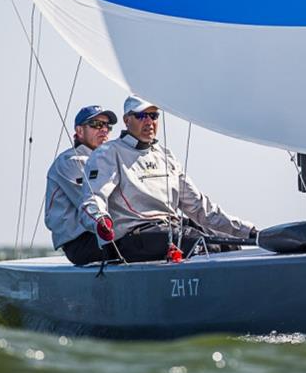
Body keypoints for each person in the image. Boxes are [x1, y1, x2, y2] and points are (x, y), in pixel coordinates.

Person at [79, 95, 256, 263]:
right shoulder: (108, 153)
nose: (149, 121)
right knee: (204, 245)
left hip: (168, 231)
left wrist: (248, 232)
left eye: (153, 115)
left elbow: (200, 208)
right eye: (141, 116)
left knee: (229, 244)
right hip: (133, 238)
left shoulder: (166, 156)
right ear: (127, 120)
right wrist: (100, 221)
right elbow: (93, 199)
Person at [45, 105, 117, 265]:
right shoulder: (71, 162)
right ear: (79, 130)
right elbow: (95, 201)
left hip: (102, 236)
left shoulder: (104, 161)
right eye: (97, 124)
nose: (104, 129)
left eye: (107, 126)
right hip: (80, 242)